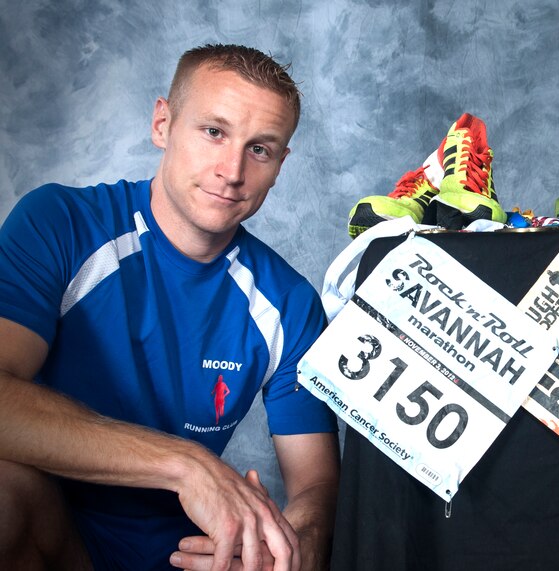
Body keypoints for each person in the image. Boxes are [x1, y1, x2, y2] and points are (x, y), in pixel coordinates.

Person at [0, 44, 340, 571]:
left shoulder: (289, 303)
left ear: (280, 165)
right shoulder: (59, 223)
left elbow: (315, 482)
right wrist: (187, 465)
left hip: (191, 557)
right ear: (163, 123)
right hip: (48, 539)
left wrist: (298, 545)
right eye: (214, 132)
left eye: (260, 149)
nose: (232, 170)